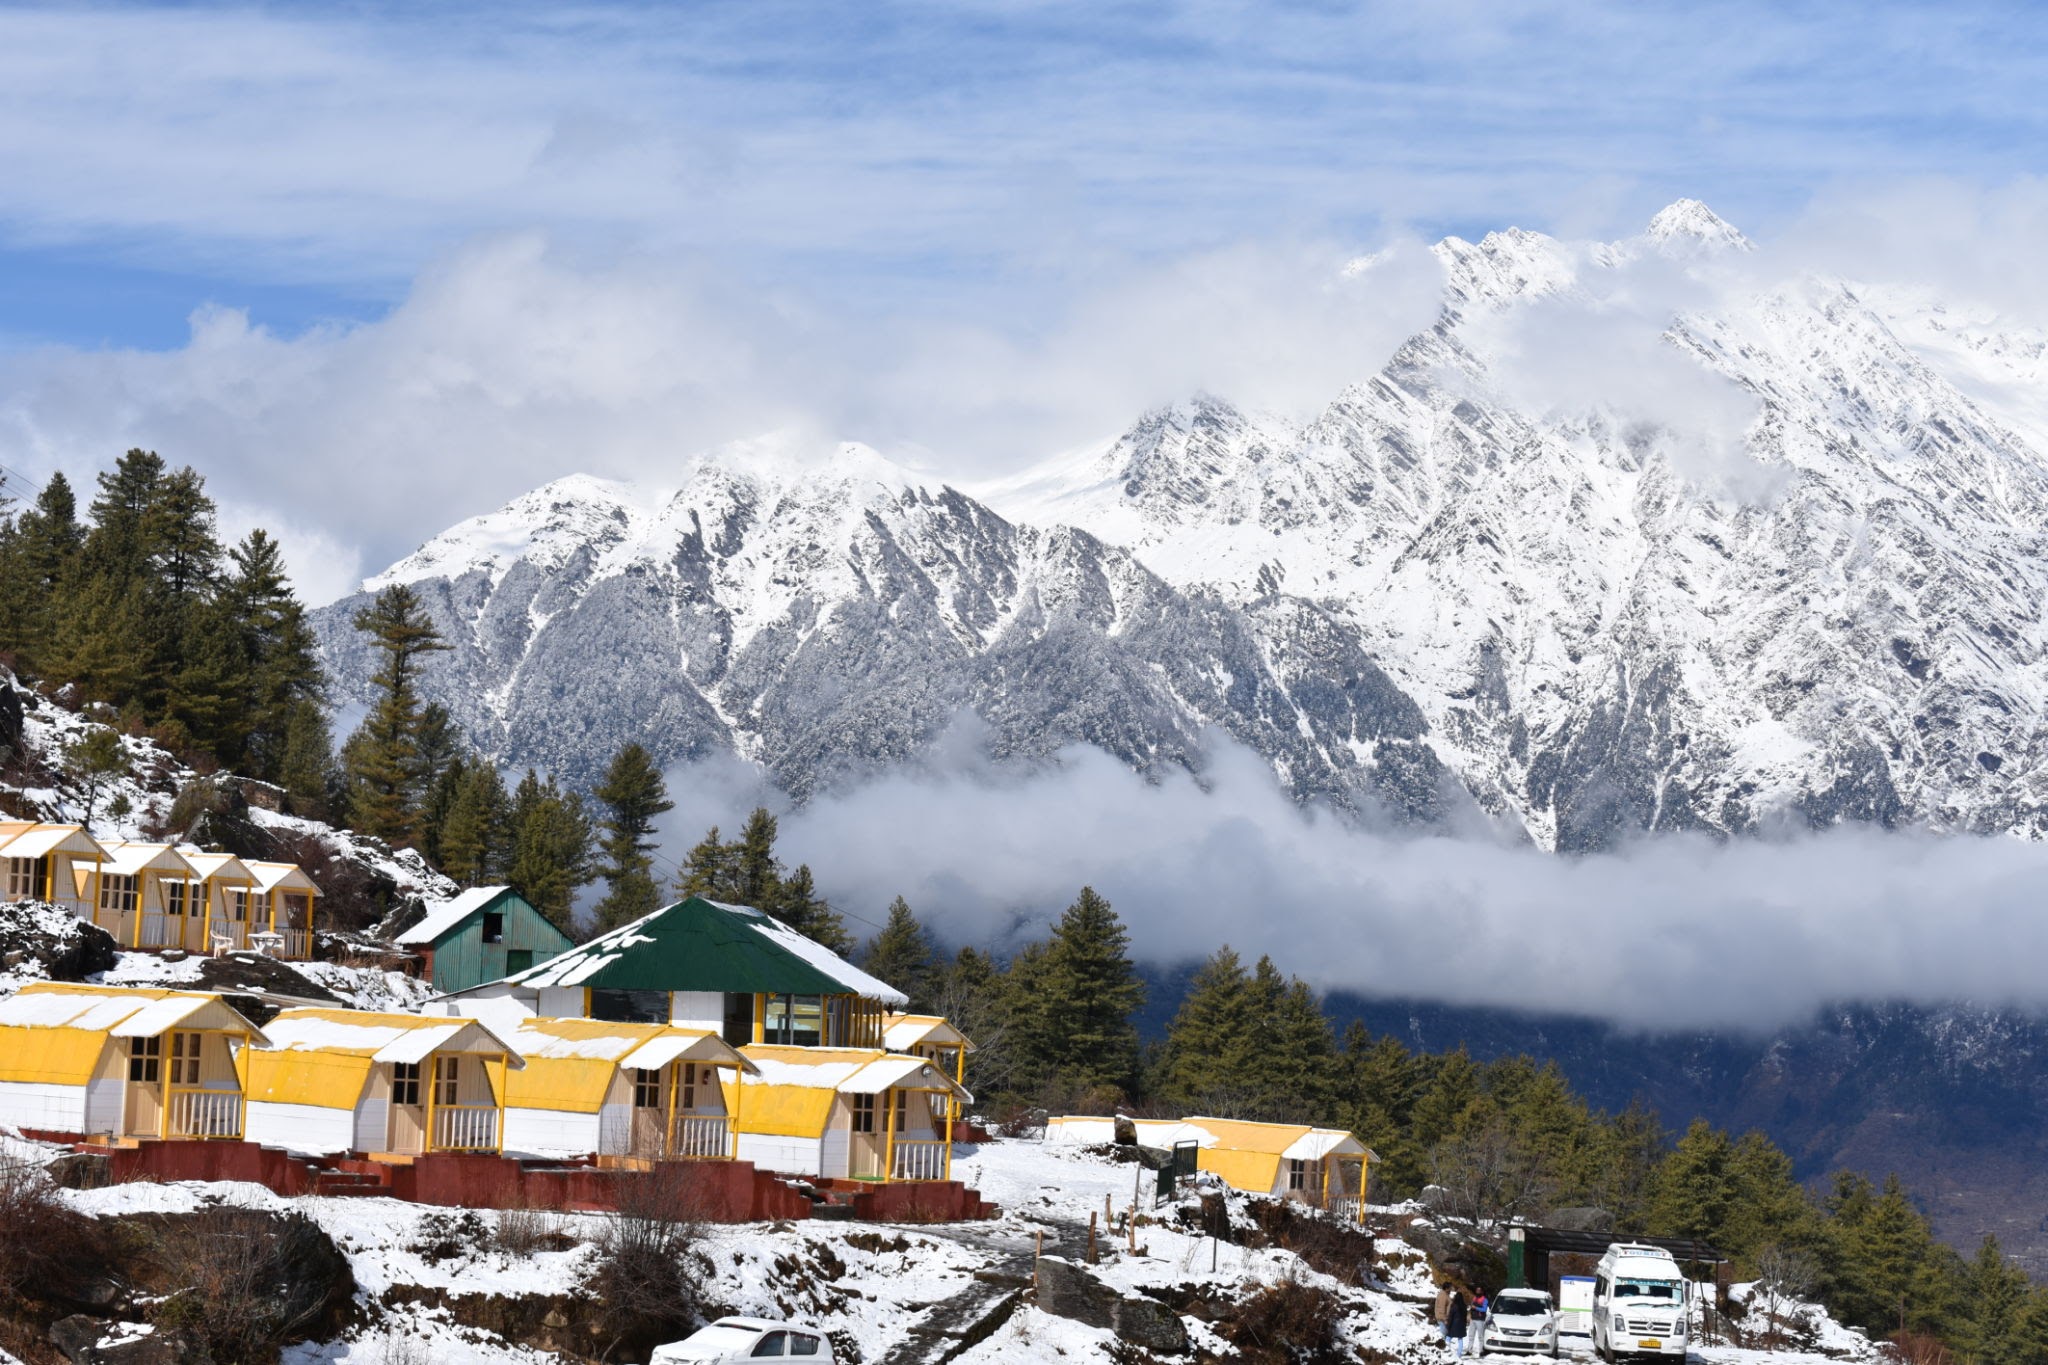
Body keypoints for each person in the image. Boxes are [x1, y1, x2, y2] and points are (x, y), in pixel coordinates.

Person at [1446, 1290, 1469, 1357]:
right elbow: (1465, 1317)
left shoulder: (1454, 1306)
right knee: (1460, 1339)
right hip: (1461, 1325)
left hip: (1454, 1325)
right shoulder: (1464, 1306)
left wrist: (1448, 1325)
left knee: (1448, 1338)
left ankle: (1447, 1352)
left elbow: (1450, 1317)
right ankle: (1459, 1354)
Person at [1468, 1289, 1489, 1355]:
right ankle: (1469, 1351)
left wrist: (1476, 1308)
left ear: (1482, 1291)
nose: (1478, 1291)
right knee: (1471, 1336)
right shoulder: (1474, 1298)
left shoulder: (1485, 1300)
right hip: (1473, 1319)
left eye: (1479, 1290)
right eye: (1477, 1290)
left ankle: (1481, 1351)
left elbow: (1484, 1309)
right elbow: (1471, 1307)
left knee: (1480, 1336)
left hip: (1480, 1320)